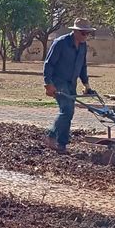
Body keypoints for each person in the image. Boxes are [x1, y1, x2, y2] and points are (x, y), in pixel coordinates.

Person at [43, 18, 96, 154]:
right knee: (66, 110)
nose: (86, 36)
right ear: (75, 31)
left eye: (88, 33)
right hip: (58, 80)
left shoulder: (83, 46)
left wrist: (87, 85)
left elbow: (82, 66)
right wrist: (48, 84)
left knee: (69, 112)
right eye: (83, 33)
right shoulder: (61, 43)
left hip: (72, 82)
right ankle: (50, 136)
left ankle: (62, 144)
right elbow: (49, 64)